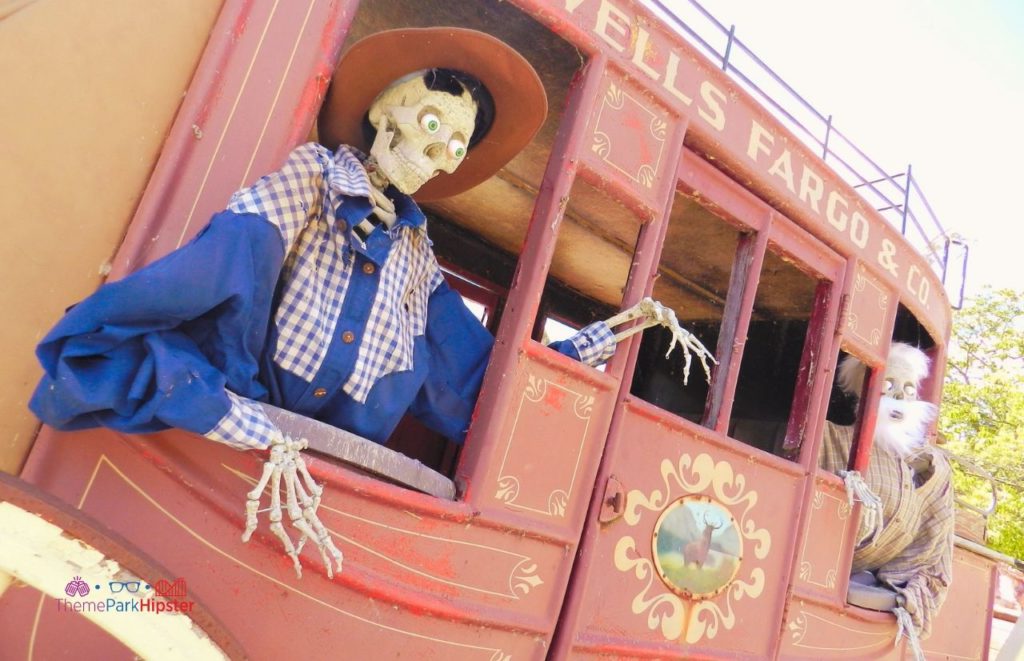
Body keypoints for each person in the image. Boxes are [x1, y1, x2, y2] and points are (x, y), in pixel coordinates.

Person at [30, 27, 714, 577]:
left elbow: (477, 379)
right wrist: (249, 425)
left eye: (453, 145)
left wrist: (614, 331)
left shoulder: (419, 263)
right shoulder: (310, 181)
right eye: (429, 122)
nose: (438, 152)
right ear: (385, 112)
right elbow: (208, 282)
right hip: (224, 471)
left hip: (332, 521)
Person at [821, 343, 954, 660]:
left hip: (880, 581)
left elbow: (934, 543)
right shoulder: (830, 438)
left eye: (908, 389)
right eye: (889, 385)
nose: (899, 397)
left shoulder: (930, 468)